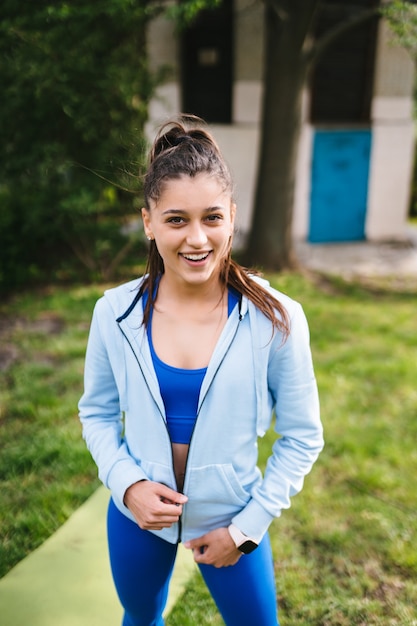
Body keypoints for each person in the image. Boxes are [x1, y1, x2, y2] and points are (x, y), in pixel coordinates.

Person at [78, 114, 324, 626]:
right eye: (175, 219)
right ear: (148, 222)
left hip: (232, 515)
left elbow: (302, 437)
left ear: (232, 217)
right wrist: (128, 486)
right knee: (141, 616)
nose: (197, 238)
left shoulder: (276, 318)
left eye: (212, 217)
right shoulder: (114, 314)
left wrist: (245, 529)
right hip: (138, 517)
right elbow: (97, 414)